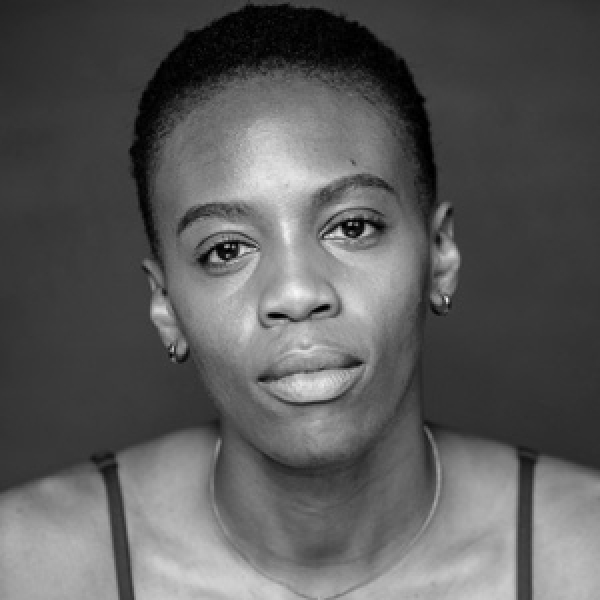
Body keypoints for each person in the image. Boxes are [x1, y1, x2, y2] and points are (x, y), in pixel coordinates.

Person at [1, 4, 600, 599]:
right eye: (226, 249)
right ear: (166, 306)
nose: (296, 293)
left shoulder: (584, 558)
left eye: (353, 227)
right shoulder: (29, 568)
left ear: (440, 254)